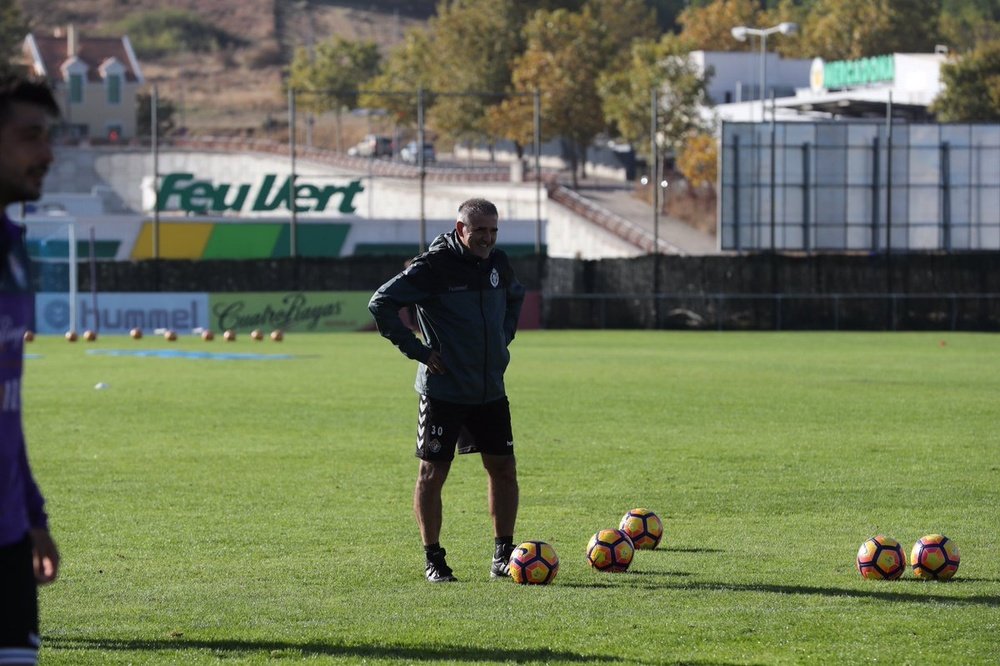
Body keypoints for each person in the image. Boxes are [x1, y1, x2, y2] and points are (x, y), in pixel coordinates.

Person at [369, 198, 525, 582]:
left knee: (503, 469)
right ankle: (434, 559)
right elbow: (381, 303)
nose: (487, 238)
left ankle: (503, 555)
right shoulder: (432, 267)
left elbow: (515, 296)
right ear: (460, 229)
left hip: (489, 387)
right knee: (432, 473)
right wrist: (418, 351)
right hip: (444, 390)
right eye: (479, 231)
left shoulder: (498, 263)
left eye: (493, 230)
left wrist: (504, 336)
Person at [0, 74, 61, 665]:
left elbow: (5, 410)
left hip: (10, 535)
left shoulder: (14, 246)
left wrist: (34, 517)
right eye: (29, 136)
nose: (47, 153)